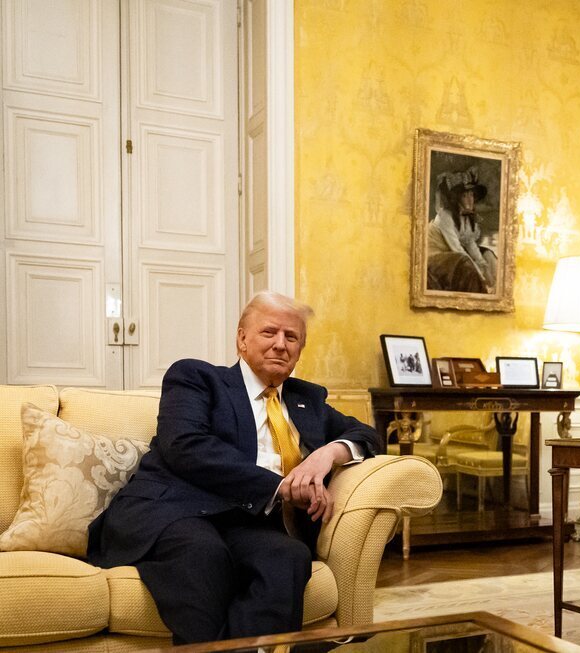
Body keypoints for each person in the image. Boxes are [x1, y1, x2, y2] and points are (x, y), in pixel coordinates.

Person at [87, 291, 380, 644]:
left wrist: (328, 454)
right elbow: (185, 446)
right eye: (269, 332)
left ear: (300, 349)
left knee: (288, 556)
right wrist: (280, 486)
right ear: (241, 338)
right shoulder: (198, 379)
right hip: (174, 512)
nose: (280, 345)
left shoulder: (307, 401)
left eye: (291, 337)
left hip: (248, 523)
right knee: (203, 554)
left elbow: (368, 434)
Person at [427, 167, 497, 293]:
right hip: (434, 255)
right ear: (457, 198)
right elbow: (457, 249)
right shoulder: (445, 216)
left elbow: (470, 244)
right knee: (464, 261)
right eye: (465, 196)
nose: (470, 199)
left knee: (488, 255)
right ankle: (483, 289)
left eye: (471, 195)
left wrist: (484, 267)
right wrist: (481, 277)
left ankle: (495, 288)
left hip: (451, 251)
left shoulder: (466, 217)